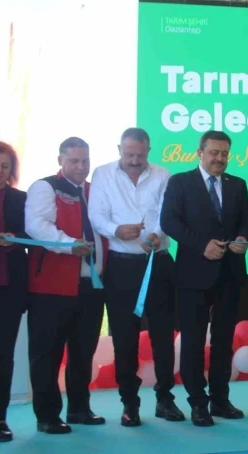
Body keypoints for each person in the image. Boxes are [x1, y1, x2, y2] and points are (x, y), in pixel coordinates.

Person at [88, 128, 183, 427]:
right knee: (124, 338)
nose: (134, 160)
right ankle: (129, 403)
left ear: (148, 151)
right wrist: (116, 230)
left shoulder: (163, 174)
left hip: (159, 263)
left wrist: (156, 235)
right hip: (121, 266)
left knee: (163, 336)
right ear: (119, 149)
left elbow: (168, 214)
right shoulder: (103, 174)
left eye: (140, 155)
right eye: (129, 154)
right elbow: (96, 215)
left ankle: (165, 399)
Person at [161, 130, 248, 427]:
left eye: (224, 153)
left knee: (224, 341)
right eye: (214, 152)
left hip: (230, 274)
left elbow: (247, 220)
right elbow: (169, 221)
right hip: (192, 275)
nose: (219, 158)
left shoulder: (238, 184)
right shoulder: (180, 182)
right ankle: (198, 403)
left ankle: (220, 400)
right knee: (193, 341)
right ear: (200, 153)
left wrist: (243, 238)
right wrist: (202, 245)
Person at [25, 137, 106, 434]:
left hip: (91, 286)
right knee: (47, 354)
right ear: (60, 160)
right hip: (51, 287)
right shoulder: (44, 187)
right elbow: (36, 226)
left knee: (83, 352)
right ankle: (47, 416)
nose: (81, 167)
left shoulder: (95, 190)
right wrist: (69, 244)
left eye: (85, 160)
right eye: (74, 161)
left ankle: (79, 408)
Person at [0, 142, 27, 442]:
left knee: (3, 355)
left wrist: (14, 237)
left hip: (9, 288)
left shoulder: (20, 199)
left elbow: (32, 233)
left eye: (5, 166)